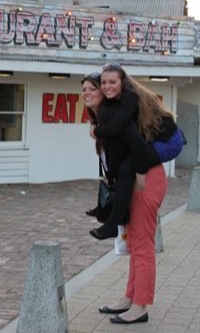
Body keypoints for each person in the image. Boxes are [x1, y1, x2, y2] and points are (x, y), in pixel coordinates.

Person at [80, 66, 170, 324]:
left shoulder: (117, 117)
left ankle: (140, 306)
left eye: (93, 88)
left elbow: (136, 147)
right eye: (84, 89)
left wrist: (140, 178)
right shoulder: (103, 119)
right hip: (131, 184)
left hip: (145, 181)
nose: (87, 93)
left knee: (142, 246)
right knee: (134, 244)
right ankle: (130, 298)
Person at [88, 63, 182, 240]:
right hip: (153, 138)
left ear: (122, 82)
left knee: (127, 166)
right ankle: (108, 209)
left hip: (169, 141)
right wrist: (95, 123)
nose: (107, 87)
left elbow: (117, 128)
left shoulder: (129, 99)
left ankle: (112, 225)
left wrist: (140, 175)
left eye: (112, 82)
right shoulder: (112, 102)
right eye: (103, 83)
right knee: (120, 160)